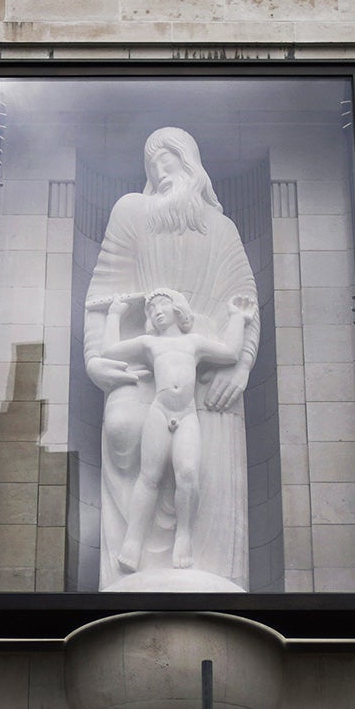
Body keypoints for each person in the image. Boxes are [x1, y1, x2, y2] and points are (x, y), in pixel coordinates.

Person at [83, 127, 260, 588]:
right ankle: (130, 562)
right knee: (127, 436)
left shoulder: (223, 230)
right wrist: (93, 358)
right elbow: (103, 294)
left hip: (210, 376)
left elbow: (245, 302)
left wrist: (240, 366)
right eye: (152, 164)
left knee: (195, 476)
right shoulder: (131, 212)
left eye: (170, 160)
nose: (161, 172)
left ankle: (204, 567)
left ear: (191, 164)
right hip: (145, 367)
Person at [90, 288, 256, 572]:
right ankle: (132, 540)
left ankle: (184, 536)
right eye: (151, 308)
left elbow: (229, 353)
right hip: (160, 410)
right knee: (149, 476)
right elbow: (109, 351)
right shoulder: (149, 344)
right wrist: (115, 316)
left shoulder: (194, 343)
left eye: (162, 303)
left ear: (178, 308)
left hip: (187, 413)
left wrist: (238, 318)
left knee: (188, 474)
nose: (156, 310)